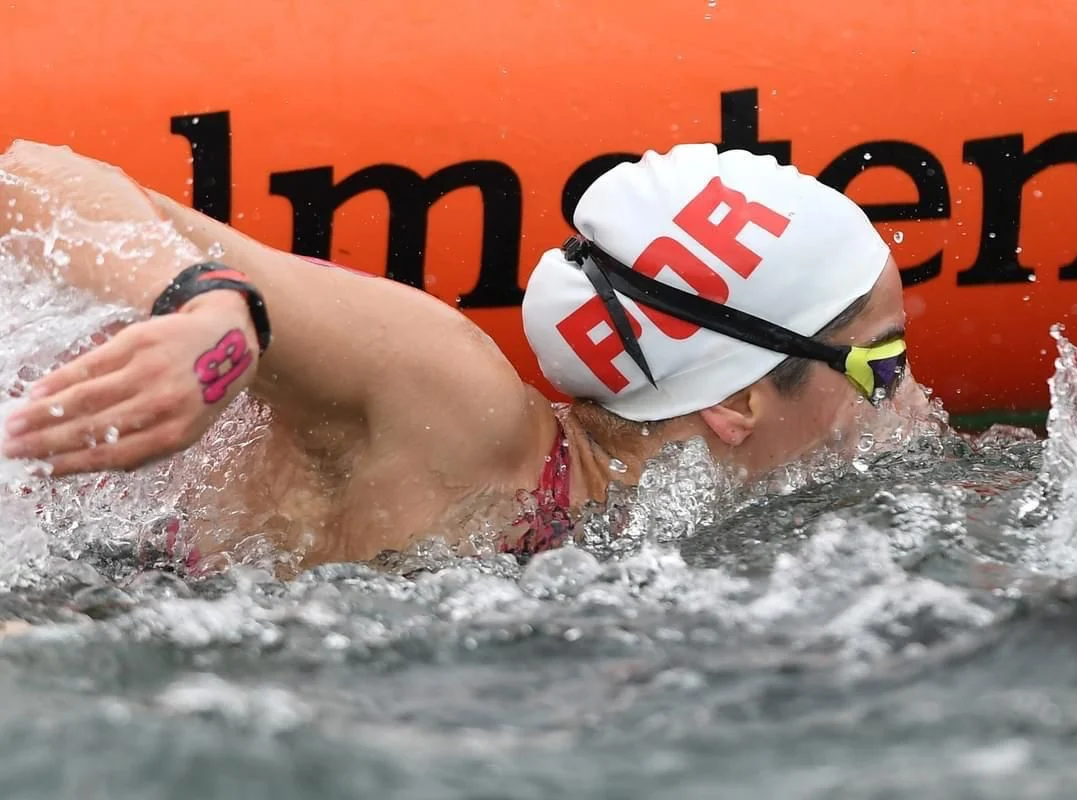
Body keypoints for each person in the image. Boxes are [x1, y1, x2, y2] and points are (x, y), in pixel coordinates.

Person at [0, 140, 928, 573]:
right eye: (880, 367)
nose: (913, 400)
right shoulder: (462, 411)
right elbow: (29, 175)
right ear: (738, 402)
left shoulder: (639, 532)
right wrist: (202, 307)